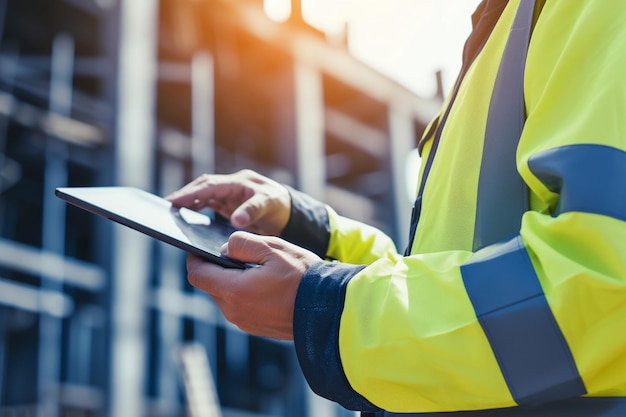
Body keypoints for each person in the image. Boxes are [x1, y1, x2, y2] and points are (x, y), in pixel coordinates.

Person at [166, 0, 626, 415]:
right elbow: (446, 267)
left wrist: (330, 306)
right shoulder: (506, 26)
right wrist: (311, 234)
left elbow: (606, 287)